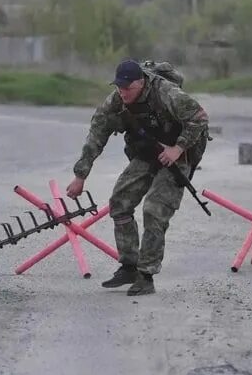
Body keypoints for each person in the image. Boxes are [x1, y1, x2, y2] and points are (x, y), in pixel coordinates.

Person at [66, 58, 209, 296]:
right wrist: (80, 175)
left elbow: (200, 117)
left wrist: (178, 148)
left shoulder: (166, 93)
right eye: (119, 87)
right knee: (120, 203)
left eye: (127, 88)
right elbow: (97, 133)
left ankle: (146, 274)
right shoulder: (116, 102)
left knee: (154, 209)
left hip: (179, 156)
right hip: (148, 153)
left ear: (141, 83)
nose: (122, 93)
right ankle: (129, 266)